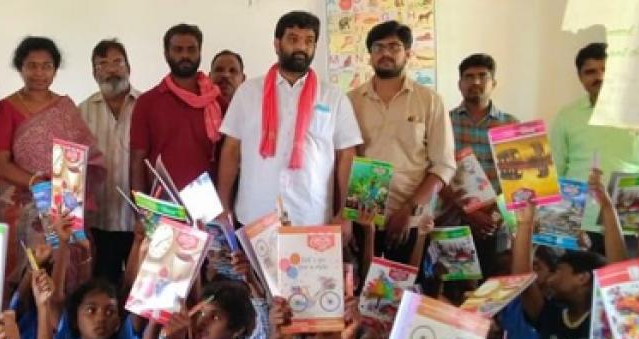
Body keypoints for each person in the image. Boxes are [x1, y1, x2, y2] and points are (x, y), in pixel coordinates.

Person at [218, 11, 362, 227]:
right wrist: (223, 204)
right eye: (293, 39)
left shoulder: (333, 97)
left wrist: (345, 214)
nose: (301, 48)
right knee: (246, 263)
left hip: (311, 217)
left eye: (309, 41)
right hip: (255, 215)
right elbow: (231, 150)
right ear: (277, 44)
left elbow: (347, 156)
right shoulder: (247, 93)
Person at [510, 168, 627, 339]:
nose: (550, 278)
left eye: (560, 271)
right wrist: (525, 223)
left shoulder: (602, 321)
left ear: (582, 278)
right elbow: (521, 279)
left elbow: (619, 271)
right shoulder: (550, 312)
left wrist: (607, 207)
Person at [0, 36, 101, 275]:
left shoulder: (65, 107)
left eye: (46, 66)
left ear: (55, 70)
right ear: (20, 67)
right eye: (32, 65)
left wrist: (72, 185)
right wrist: (35, 183)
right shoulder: (6, 109)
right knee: (30, 273)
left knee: (66, 269)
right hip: (22, 207)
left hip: (64, 204)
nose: (39, 73)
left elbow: (85, 155)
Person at [549, 43, 639, 242]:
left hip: (631, 224)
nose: (599, 77)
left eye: (606, 70)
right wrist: (555, 223)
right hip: (579, 227)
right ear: (581, 78)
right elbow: (555, 171)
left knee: (627, 274)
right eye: (590, 72)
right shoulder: (566, 117)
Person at [348, 20, 454, 261]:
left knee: (410, 294)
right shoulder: (351, 101)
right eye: (378, 47)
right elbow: (343, 160)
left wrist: (409, 209)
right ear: (370, 56)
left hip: (412, 221)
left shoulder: (430, 101)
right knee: (362, 292)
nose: (385, 53)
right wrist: (347, 218)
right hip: (363, 218)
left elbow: (444, 165)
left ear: (408, 53)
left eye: (394, 47)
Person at [447, 53, 519, 276]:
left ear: (493, 83)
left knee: (492, 288)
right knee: (454, 289)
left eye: (482, 76)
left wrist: (495, 216)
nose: (475, 82)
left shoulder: (511, 125)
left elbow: (519, 181)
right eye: (468, 77)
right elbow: (436, 171)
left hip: (497, 225)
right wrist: (469, 212)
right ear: (460, 84)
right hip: (453, 220)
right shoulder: (445, 122)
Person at [130, 24, 223, 193]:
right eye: (178, 50)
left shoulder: (217, 102)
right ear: (166, 54)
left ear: (200, 53)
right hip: (163, 204)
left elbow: (227, 158)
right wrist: (141, 211)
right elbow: (137, 160)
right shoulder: (147, 103)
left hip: (208, 206)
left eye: (191, 49)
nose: (185, 55)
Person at [80, 39, 140, 285]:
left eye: (117, 62)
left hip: (137, 220)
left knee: (138, 290)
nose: (111, 69)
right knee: (102, 286)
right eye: (102, 64)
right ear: (94, 73)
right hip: (98, 220)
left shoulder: (146, 106)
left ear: (129, 67)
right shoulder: (82, 110)